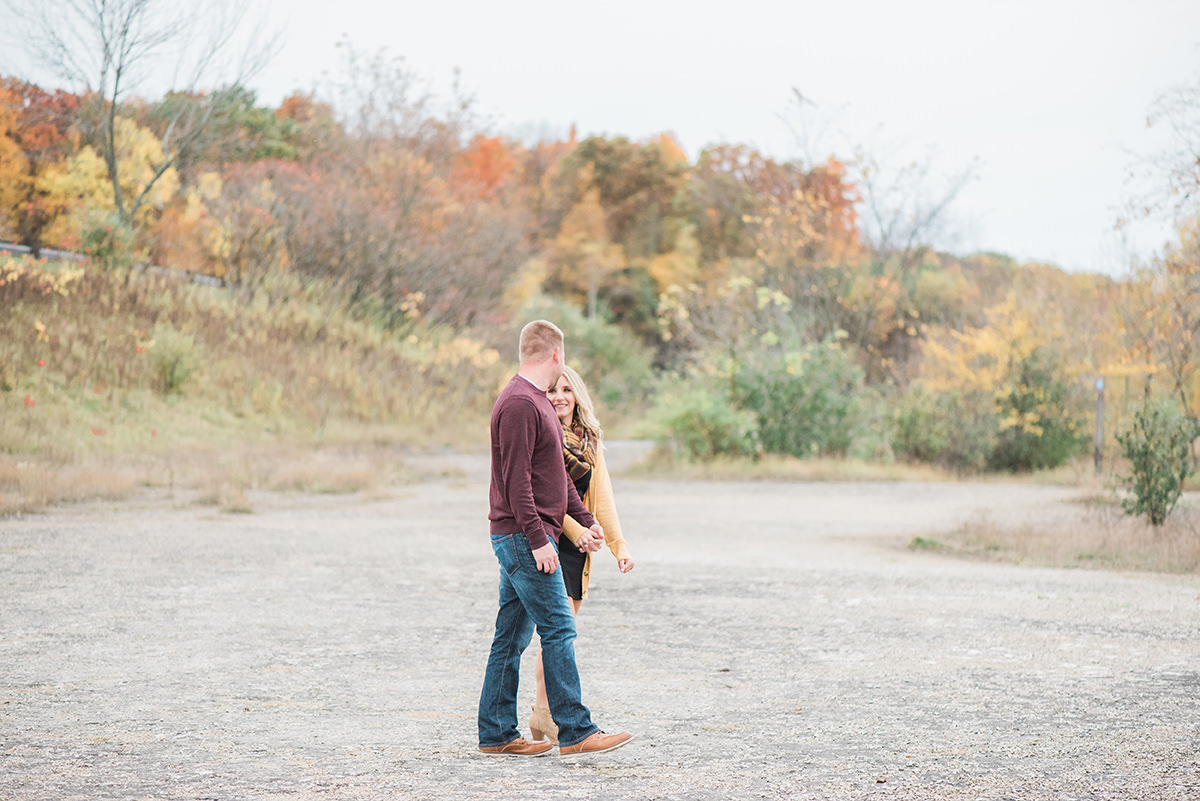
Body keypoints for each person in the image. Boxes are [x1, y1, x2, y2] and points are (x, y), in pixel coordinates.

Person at [477, 320, 634, 757]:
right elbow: (516, 483)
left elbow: (555, 477)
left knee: (510, 638)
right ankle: (577, 731)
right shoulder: (519, 404)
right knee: (559, 628)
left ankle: (496, 734)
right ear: (556, 355)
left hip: (526, 536)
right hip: (523, 538)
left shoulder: (538, 402)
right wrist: (539, 539)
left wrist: (586, 519)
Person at [528, 364, 635, 745]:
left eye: (566, 390)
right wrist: (577, 533)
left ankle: (544, 716)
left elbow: (601, 496)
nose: (558, 397)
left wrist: (618, 545)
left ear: (577, 396)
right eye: (552, 390)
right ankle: (546, 713)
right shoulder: (542, 432)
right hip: (547, 539)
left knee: (559, 632)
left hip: (578, 548)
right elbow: (543, 497)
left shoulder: (590, 439)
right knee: (556, 632)